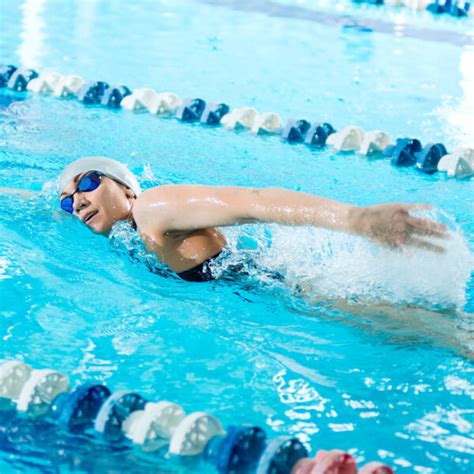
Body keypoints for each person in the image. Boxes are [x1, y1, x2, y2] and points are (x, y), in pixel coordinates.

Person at [57, 156, 448, 282]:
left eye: (89, 182)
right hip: (248, 288)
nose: (77, 201)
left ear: (127, 188)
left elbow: (255, 202)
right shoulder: (129, 228)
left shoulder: (151, 206)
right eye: (67, 201)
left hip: (267, 290)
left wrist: (357, 219)